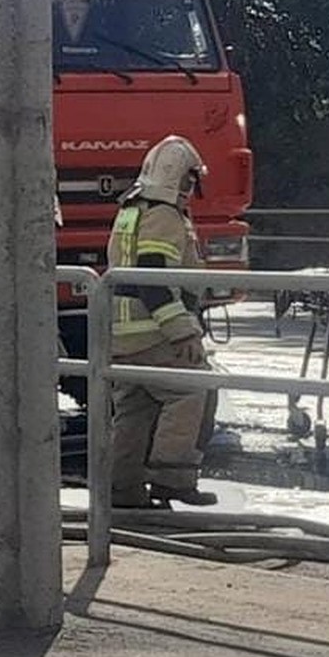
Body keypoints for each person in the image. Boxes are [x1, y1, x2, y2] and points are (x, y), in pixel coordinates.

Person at [108, 135, 217, 508]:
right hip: (152, 334)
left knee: (134, 406)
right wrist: (182, 331)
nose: (193, 189)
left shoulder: (130, 210)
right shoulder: (165, 215)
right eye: (192, 181)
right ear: (182, 178)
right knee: (193, 387)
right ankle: (173, 478)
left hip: (120, 337)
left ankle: (122, 489)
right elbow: (153, 279)